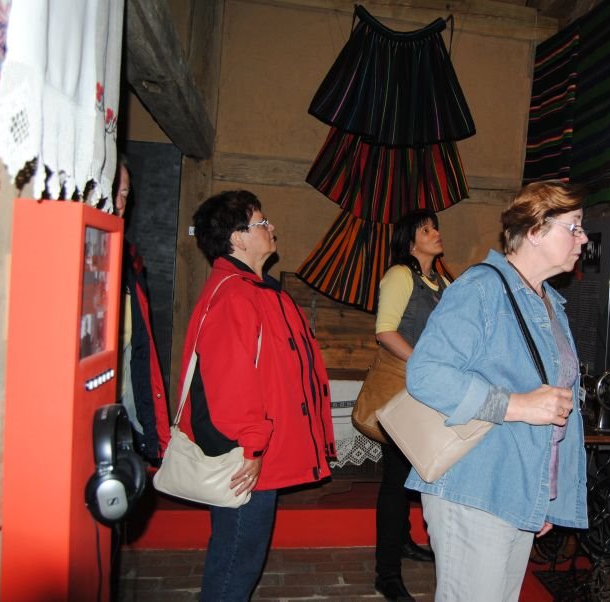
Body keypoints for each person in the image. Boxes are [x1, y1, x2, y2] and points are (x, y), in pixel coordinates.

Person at [405, 180, 589, 601]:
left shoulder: (548, 301)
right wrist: (517, 405)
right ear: (537, 230)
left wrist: (545, 494)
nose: (583, 239)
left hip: (519, 485)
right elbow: (426, 373)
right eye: (574, 227)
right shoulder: (482, 289)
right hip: (476, 486)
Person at [177, 190, 336, 601]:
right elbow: (230, 381)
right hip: (246, 457)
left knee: (242, 556)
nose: (272, 227)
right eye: (262, 222)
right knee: (237, 561)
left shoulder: (258, 289)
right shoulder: (235, 294)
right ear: (238, 238)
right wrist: (251, 445)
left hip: (260, 450)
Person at [373, 210, 446, 601]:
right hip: (402, 391)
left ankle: (402, 542)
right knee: (396, 479)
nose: (435, 233)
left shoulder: (442, 282)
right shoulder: (400, 275)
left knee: (408, 477)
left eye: (435, 228)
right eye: (426, 229)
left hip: (430, 394)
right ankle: (386, 574)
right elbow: (385, 331)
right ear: (410, 240)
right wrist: (423, 364)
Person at [115, 156, 169, 463]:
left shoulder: (128, 261)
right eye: (114, 192)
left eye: (124, 194)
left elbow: (137, 350)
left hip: (121, 406)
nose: (119, 203)